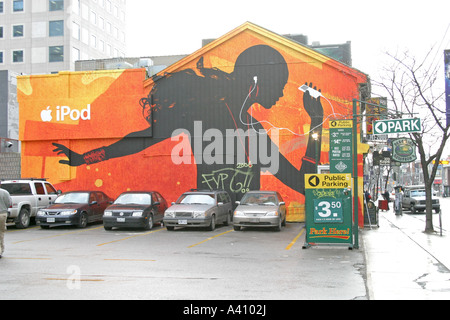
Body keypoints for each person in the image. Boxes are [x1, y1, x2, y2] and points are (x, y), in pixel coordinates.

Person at [0, 181, 12, 259]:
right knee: (1, 232)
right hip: (2, 214)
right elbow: (9, 203)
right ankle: (0, 250)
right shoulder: (5, 192)